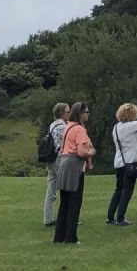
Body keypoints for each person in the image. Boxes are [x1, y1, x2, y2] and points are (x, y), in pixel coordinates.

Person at [53, 102, 96, 245]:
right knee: (74, 202)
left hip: (64, 164)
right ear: (80, 114)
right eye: (86, 112)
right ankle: (71, 238)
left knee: (64, 202)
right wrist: (91, 152)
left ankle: (59, 236)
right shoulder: (79, 129)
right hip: (74, 167)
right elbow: (81, 151)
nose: (88, 114)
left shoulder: (68, 127)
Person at [106, 103, 137, 226]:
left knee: (118, 190)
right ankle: (120, 218)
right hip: (129, 162)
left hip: (119, 162)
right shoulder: (130, 126)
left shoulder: (116, 127)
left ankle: (110, 216)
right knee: (127, 191)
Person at [42, 103, 69, 227]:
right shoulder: (63, 126)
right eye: (67, 112)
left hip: (51, 158)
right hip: (59, 158)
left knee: (51, 188)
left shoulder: (52, 124)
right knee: (66, 187)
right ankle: (66, 216)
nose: (69, 114)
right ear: (62, 113)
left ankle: (48, 218)